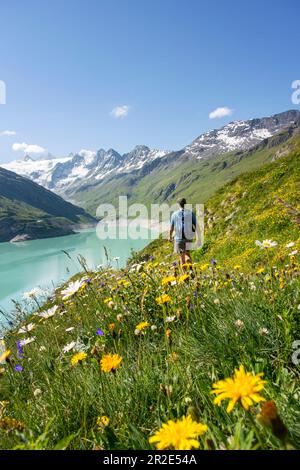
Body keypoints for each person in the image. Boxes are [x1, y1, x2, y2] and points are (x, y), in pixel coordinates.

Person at [169, 198, 198, 269]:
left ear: (178, 204)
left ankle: (186, 278)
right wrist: (199, 237)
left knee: (181, 257)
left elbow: (171, 228)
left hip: (179, 238)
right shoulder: (190, 213)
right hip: (189, 237)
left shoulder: (174, 214)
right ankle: (191, 270)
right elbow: (196, 225)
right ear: (185, 204)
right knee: (187, 253)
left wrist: (169, 237)